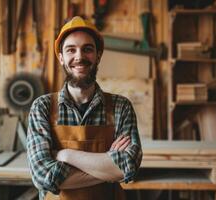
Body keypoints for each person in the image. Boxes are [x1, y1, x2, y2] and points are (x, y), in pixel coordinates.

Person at [27, 16, 142, 200]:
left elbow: (127, 168)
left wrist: (66, 155)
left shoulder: (121, 107)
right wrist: (108, 166)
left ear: (98, 55)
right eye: (71, 50)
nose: (79, 57)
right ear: (61, 58)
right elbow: (43, 177)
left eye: (87, 49)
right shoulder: (42, 108)